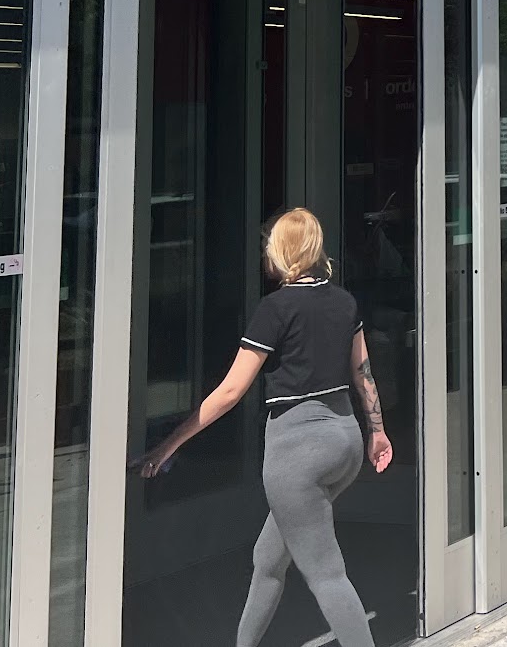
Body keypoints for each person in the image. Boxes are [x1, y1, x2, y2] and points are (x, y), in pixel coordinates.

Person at [140, 208, 391, 647]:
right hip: (346, 441)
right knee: (268, 559)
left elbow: (230, 391)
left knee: (327, 575)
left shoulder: (275, 309)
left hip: (297, 454)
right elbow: (363, 374)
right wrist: (378, 432)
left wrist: (167, 446)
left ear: (282, 251)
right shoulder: (343, 302)